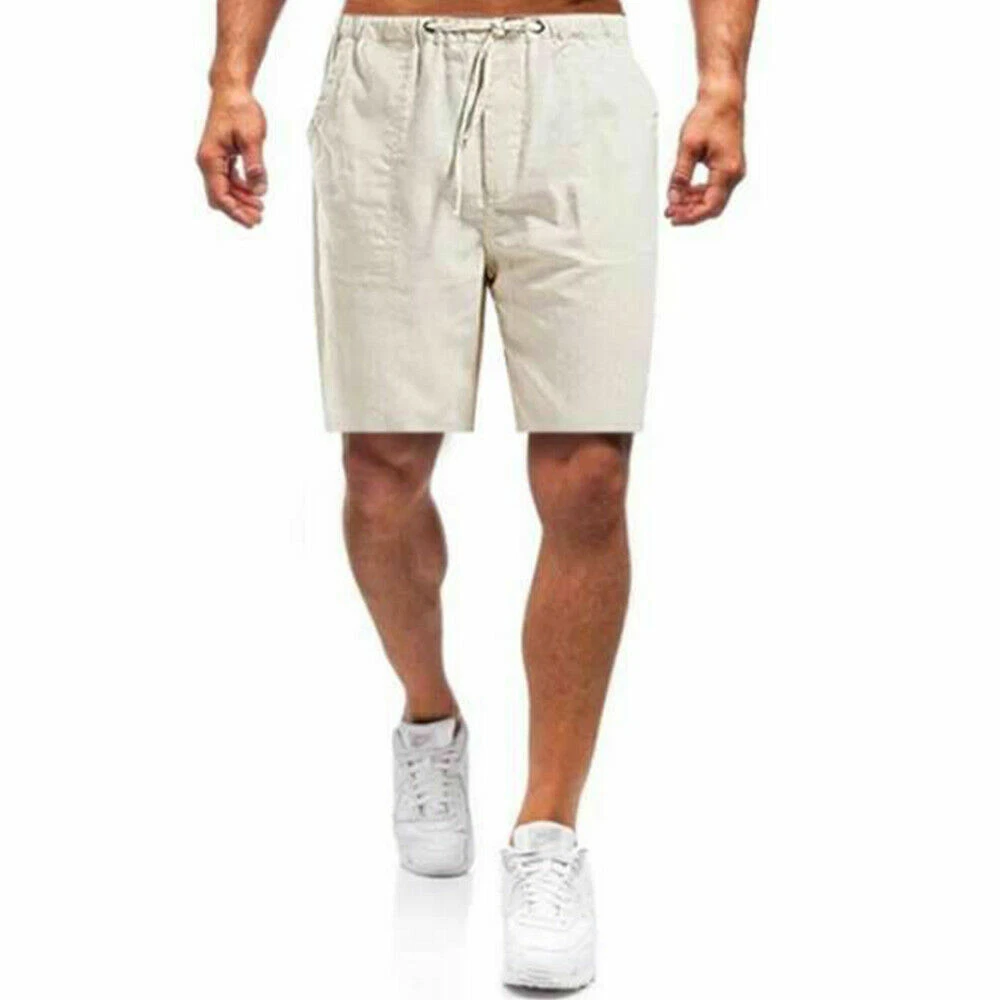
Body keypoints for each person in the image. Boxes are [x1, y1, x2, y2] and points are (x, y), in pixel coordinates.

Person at [198, 0, 757, 988]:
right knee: (382, 471)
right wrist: (231, 76)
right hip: (389, 75)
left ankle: (548, 831)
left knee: (590, 472)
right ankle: (430, 719)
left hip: (575, 70)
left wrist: (723, 81)